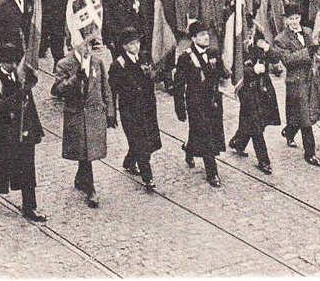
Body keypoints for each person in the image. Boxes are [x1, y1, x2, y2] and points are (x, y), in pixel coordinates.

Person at [0, 43, 47, 221]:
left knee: (27, 167)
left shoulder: (21, 77)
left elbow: (30, 105)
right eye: (11, 62)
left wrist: (35, 129)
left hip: (22, 128)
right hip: (2, 131)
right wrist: (17, 96)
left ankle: (29, 206)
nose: (15, 65)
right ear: (3, 63)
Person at [53, 37, 113, 208]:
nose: (86, 48)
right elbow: (58, 89)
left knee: (88, 151)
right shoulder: (64, 64)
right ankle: (90, 189)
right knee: (85, 151)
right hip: (76, 114)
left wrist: (109, 111)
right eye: (83, 44)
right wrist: (74, 78)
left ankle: (81, 178)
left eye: (89, 45)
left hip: (94, 114)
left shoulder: (97, 62)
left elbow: (105, 87)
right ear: (73, 44)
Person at [173, 19, 229, 187]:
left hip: (213, 101)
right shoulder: (186, 57)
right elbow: (178, 85)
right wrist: (180, 108)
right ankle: (212, 173)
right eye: (202, 35)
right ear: (194, 38)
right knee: (205, 135)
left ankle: (189, 149)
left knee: (205, 131)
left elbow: (223, 74)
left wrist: (226, 70)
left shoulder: (213, 53)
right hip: (196, 102)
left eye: (207, 34)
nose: (206, 38)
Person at [273, 3, 320, 166]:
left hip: (311, 80)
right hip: (296, 83)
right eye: (291, 19)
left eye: (297, 18)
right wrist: (308, 52)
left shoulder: (307, 32)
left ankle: (289, 132)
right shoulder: (280, 39)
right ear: (285, 20)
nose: (294, 22)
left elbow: (318, 54)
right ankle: (310, 153)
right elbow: (288, 61)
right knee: (305, 118)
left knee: (300, 115)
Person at [108, 27, 161, 189]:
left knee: (150, 141)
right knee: (140, 142)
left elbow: (153, 76)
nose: (136, 46)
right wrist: (111, 114)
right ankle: (148, 178)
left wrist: (154, 74)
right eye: (132, 44)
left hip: (147, 107)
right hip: (130, 110)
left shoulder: (144, 57)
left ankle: (129, 161)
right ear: (124, 46)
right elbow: (112, 91)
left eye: (137, 43)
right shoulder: (119, 65)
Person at [228, 30, 281, 174]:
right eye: (249, 29)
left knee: (254, 121)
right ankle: (264, 161)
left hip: (263, 88)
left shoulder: (260, 37)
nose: (251, 32)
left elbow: (276, 59)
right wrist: (252, 71)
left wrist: (267, 48)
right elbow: (233, 71)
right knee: (256, 125)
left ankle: (238, 142)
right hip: (248, 89)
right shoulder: (237, 43)